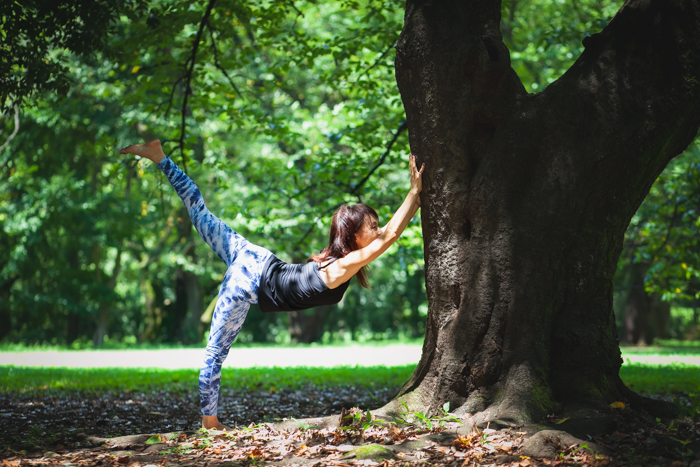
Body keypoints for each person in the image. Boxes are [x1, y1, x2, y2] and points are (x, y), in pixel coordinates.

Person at [119, 139, 424, 430]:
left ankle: (159, 156)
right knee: (215, 352)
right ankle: (208, 423)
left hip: (253, 257)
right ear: (354, 236)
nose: (378, 229)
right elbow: (390, 237)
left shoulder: (339, 260)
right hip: (249, 278)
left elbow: (387, 233)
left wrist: (416, 198)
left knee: (199, 211)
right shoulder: (342, 266)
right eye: (371, 226)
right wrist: (413, 193)